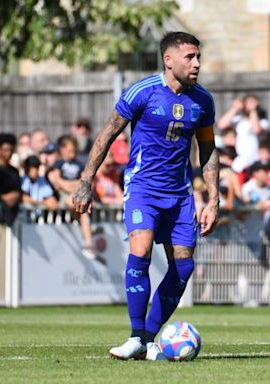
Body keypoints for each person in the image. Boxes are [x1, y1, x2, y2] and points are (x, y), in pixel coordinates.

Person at [71, 32, 219, 361]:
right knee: (141, 250)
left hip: (180, 195)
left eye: (198, 57)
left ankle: (149, 339)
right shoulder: (143, 92)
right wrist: (86, 180)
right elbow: (108, 133)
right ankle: (137, 334)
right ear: (169, 60)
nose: (196, 64)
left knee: (183, 266)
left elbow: (207, 148)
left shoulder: (203, 101)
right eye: (190, 57)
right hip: (143, 188)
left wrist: (213, 199)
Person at [48, 135, 96, 259]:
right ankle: (85, 226)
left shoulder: (79, 164)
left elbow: (84, 181)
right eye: (70, 151)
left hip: (75, 194)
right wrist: (72, 185)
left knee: (83, 210)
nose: (72, 154)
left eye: (74, 151)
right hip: (64, 195)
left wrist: (68, 185)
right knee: (73, 203)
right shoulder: (59, 163)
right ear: (62, 149)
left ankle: (89, 244)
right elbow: (57, 181)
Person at [217, 94, 270, 172]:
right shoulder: (238, 120)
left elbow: (256, 130)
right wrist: (234, 108)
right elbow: (221, 125)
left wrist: (253, 110)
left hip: (256, 159)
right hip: (240, 159)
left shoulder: (263, 122)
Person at [0, 133, 22, 225]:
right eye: (6, 150)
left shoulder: (14, 171)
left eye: (11, 150)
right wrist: (2, 198)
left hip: (10, 217)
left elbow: (18, 189)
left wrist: (16, 195)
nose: (9, 153)